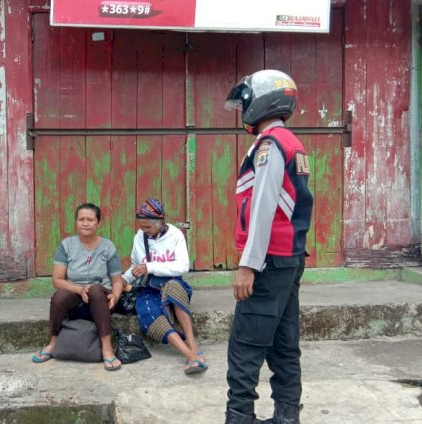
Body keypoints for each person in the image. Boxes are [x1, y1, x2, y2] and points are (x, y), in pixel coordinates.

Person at [223, 69, 313, 424]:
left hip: (269, 263)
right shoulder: (291, 142)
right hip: (287, 260)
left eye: (244, 101)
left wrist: (249, 264)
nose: (242, 108)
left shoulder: (271, 144)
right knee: (283, 344)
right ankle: (286, 417)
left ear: (261, 101)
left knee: (245, 347)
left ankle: (239, 418)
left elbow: (263, 206)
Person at [32, 203, 125, 371]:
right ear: (76, 222)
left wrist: (116, 296)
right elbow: (58, 280)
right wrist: (80, 290)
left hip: (101, 299)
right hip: (76, 296)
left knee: (96, 289)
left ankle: (107, 349)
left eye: (90, 219)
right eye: (81, 219)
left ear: (98, 223)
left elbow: (117, 281)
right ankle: (53, 343)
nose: (85, 223)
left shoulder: (107, 246)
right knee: (60, 295)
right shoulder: (67, 245)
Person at [122, 198, 207, 375]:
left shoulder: (175, 235)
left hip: (172, 283)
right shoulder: (140, 236)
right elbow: (136, 265)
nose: (144, 231)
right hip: (150, 288)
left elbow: (182, 266)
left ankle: (192, 343)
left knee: (174, 288)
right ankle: (190, 355)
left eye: (148, 227)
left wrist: (150, 267)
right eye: (142, 226)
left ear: (160, 222)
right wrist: (125, 279)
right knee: (146, 311)